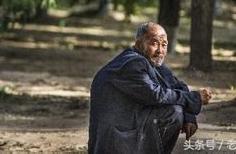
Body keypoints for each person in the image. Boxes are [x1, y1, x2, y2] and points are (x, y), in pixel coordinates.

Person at [88, 22, 212, 154]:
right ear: (139, 44)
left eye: (164, 45)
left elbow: (178, 86)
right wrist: (195, 98)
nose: (160, 50)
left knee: (177, 109)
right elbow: (154, 95)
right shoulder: (133, 62)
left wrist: (189, 116)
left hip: (130, 125)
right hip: (116, 138)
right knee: (173, 112)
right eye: (154, 43)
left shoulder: (150, 61)